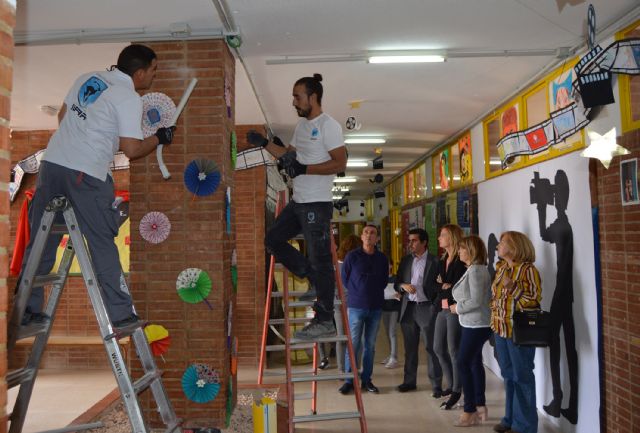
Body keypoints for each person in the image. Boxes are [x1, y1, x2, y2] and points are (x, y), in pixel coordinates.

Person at [18, 44, 175, 329]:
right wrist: (160, 138)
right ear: (139, 73)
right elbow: (132, 150)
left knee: (43, 239)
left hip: (51, 166)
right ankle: (120, 314)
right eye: (153, 70)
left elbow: (63, 116)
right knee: (102, 242)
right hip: (86, 174)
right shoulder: (128, 98)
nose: (154, 75)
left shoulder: (87, 77)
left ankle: (26, 309)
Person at [247, 73, 347, 340]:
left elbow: (340, 163)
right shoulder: (302, 127)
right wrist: (265, 144)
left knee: (321, 258)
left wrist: (306, 168)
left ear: (312, 97)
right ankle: (310, 276)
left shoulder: (329, 126)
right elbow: (289, 155)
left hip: (317, 202)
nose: (294, 101)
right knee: (273, 240)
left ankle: (324, 319)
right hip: (299, 200)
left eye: (297, 96)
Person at [534, 170, 578, 424]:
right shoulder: (564, 223)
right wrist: (542, 206)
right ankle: (567, 402)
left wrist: (541, 206)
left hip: (562, 291)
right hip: (567, 292)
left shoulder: (563, 225)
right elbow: (544, 235)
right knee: (568, 347)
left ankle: (559, 398)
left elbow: (543, 234)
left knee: (555, 342)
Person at [491, 231, 542, 433]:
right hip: (500, 330)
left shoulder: (528, 270)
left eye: (502, 242)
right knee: (508, 376)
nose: (498, 246)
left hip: (518, 332)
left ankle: (525, 427)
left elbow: (534, 300)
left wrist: (513, 288)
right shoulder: (502, 268)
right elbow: (495, 298)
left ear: (514, 247)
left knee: (522, 378)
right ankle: (510, 419)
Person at [337, 225, 388, 394]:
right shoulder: (352, 256)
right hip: (356, 306)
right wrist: (359, 291)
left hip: (375, 307)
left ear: (377, 239)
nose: (368, 235)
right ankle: (349, 381)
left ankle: (367, 380)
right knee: (353, 344)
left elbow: (384, 281)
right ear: (361, 236)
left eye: (372, 233)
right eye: (366, 232)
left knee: (370, 345)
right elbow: (344, 279)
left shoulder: (381, 258)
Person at [394, 228, 443, 395]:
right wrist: (403, 286)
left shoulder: (435, 262)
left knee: (431, 347)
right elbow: (397, 281)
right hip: (408, 308)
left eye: (414, 241)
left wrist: (434, 306)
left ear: (424, 242)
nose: (411, 244)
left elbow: (440, 287)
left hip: (426, 308)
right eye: (410, 240)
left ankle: (436, 384)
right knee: (409, 348)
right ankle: (409, 382)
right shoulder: (406, 260)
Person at [450, 235, 492, 427]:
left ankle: (470, 411)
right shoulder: (474, 270)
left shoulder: (475, 271)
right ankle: (479, 403)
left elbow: (476, 301)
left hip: (476, 324)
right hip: (473, 323)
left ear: (472, 251)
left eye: (462, 249)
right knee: (474, 362)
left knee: (463, 362)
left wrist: (456, 308)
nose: (459, 251)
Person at [434, 224, 467, 409]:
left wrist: (446, 286)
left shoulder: (461, 262)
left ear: (452, 237)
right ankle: (451, 382)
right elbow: (435, 286)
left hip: (455, 310)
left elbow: (457, 288)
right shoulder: (442, 260)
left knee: (454, 350)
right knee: (438, 348)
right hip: (442, 309)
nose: (439, 238)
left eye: (443, 235)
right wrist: (444, 287)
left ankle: (457, 389)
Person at [319, 233, 362, 370]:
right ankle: (351, 368)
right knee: (354, 337)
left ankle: (342, 369)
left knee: (343, 337)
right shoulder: (344, 264)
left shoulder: (337, 263)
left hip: (342, 303)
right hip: (349, 304)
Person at [380, 260, 401, 369]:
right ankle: (391, 354)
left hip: (394, 308)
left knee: (392, 332)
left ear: (391, 265)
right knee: (388, 331)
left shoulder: (396, 278)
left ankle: (394, 357)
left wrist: (400, 294)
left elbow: (401, 290)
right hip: (384, 308)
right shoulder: (380, 278)